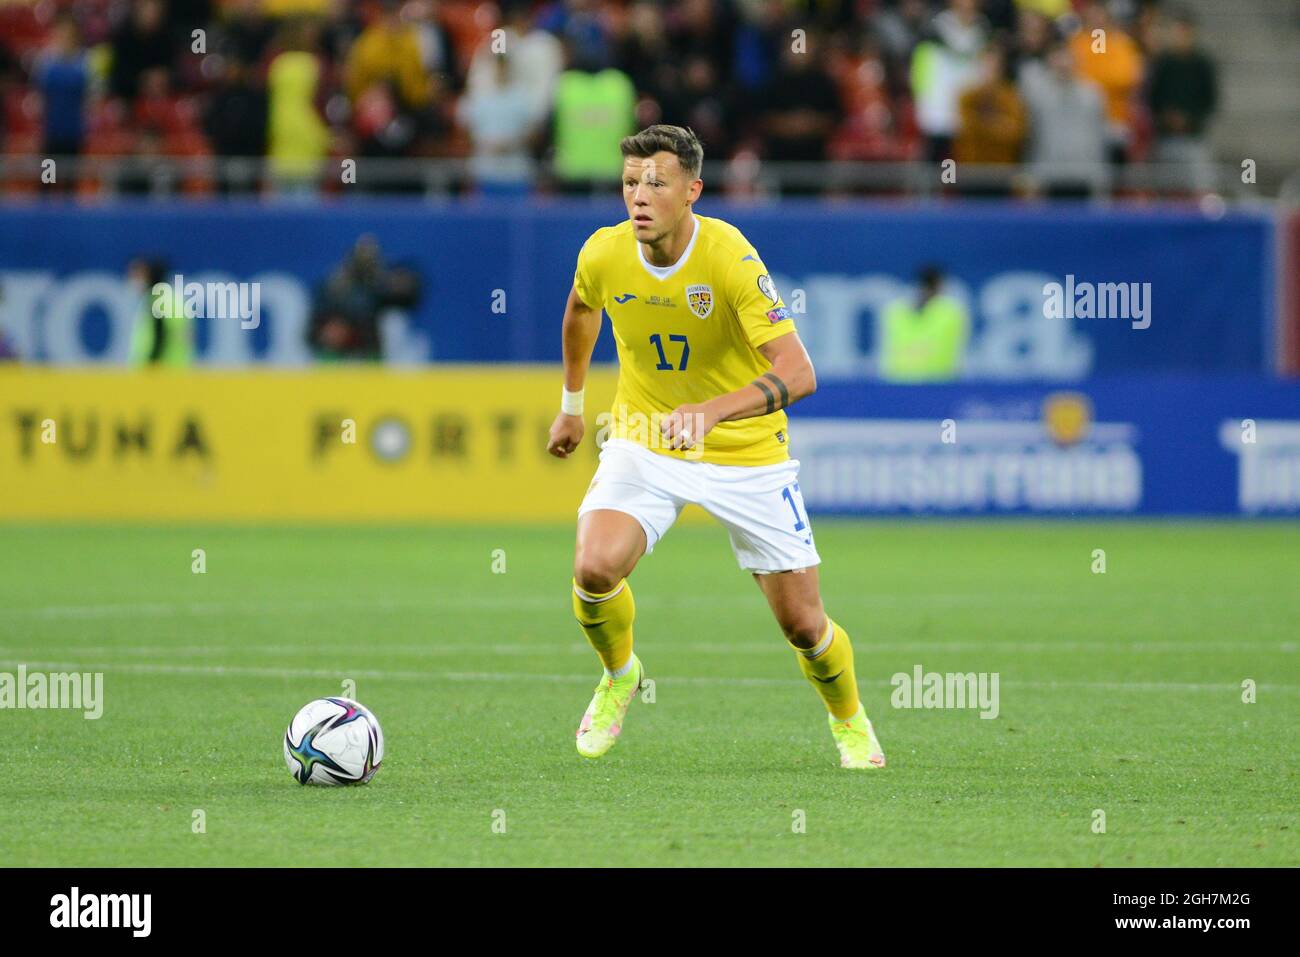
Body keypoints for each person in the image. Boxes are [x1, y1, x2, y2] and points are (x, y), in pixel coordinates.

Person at [546, 125, 885, 770]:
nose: (638, 196)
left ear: (692, 191)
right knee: (593, 569)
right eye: (629, 183)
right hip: (645, 438)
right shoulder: (604, 253)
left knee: (804, 627)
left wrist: (712, 411)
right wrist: (571, 407)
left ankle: (850, 720)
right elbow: (580, 311)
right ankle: (620, 675)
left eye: (656, 182)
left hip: (745, 452)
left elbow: (800, 371)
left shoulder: (728, 256)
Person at [878, 265, 969, 382]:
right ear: (940, 286)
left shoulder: (895, 312)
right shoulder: (952, 313)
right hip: (931, 384)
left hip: (909, 384)